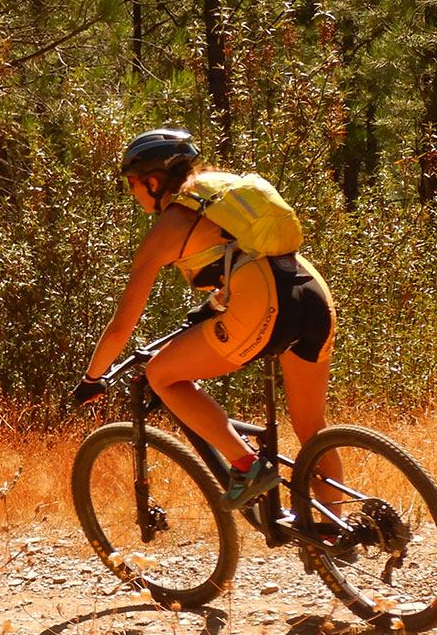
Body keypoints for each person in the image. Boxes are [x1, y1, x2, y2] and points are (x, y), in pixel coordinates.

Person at [74, 128, 340, 510]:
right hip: (310, 289)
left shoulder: (169, 227)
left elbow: (120, 328)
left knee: (162, 374)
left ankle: (248, 465)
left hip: (266, 301)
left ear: (152, 181)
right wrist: (213, 307)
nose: (131, 191)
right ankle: (335, 534)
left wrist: (91, 379)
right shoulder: (222, 192)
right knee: (312, 428)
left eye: (131, 183)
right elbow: (243, 259)